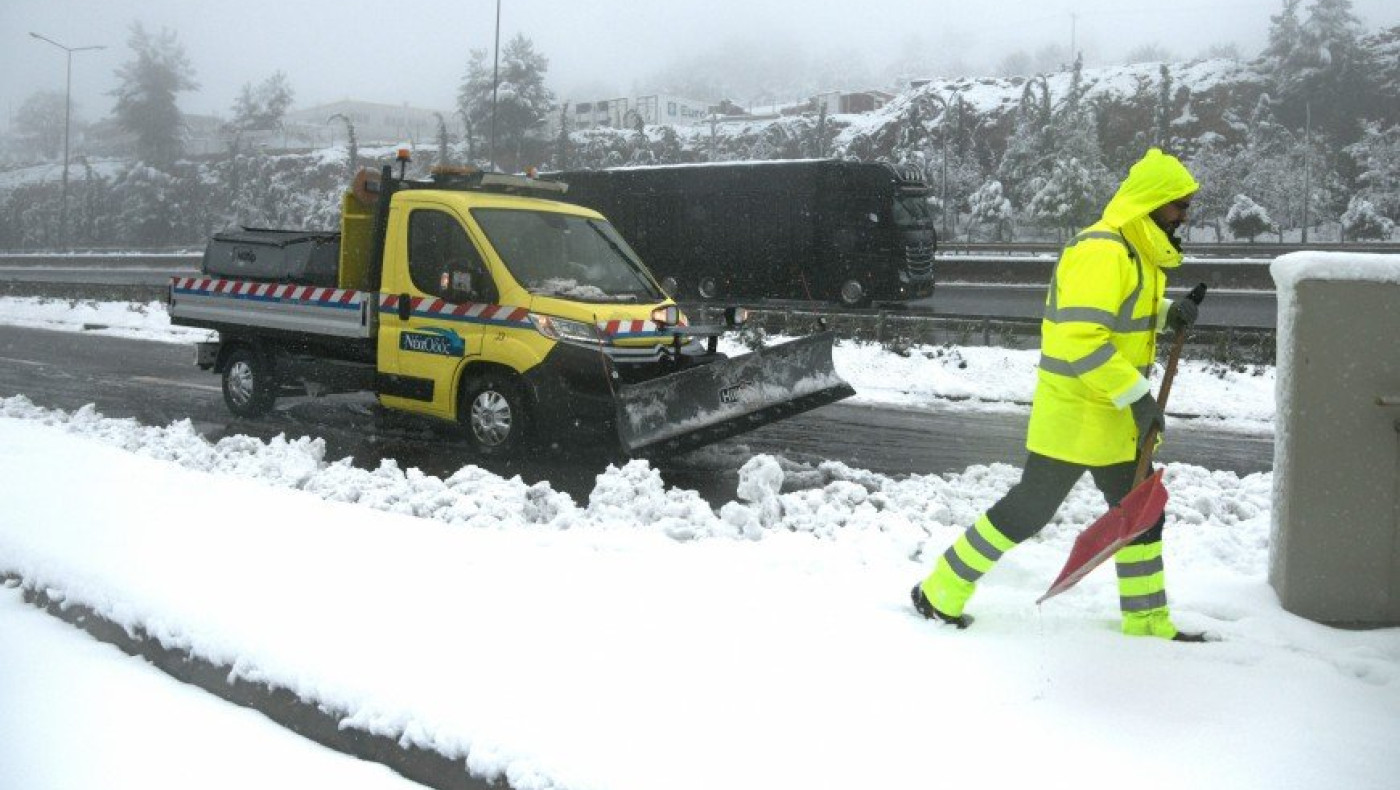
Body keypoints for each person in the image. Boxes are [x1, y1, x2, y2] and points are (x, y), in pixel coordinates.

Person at [911, 148, 1206, 642]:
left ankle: (1148, 622)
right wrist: (1137, 397)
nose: (1185, 216)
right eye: (1179, 205)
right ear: (1152, 203)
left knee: (1142, 514)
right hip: (1076, 415)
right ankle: (939, 591)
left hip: (1109, 416)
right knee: (1028, 511)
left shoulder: (1137, 253)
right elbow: (1080, 338)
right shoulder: (1102, 250)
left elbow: (1123, 315)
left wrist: (1168, 314)